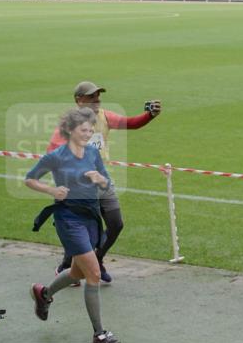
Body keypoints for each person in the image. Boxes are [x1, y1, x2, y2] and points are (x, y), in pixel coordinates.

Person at [26, 107, 121, 343]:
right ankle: (99, 336)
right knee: (94, 274)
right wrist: (51, 191)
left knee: (77, 272)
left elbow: (106, 182)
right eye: (83, 130)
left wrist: (100, 181)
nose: (88, 134)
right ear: (69, 130)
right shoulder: (56, 156)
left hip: (91, 219)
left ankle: (44, 294)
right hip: (69, 220)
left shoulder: (92, 153)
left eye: (90, 129)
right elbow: (30, 178)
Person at [49, 81, 162, 283]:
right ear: (79, 100)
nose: (97, 99)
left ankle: (97, 260)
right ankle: (67, 265)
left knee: (115, 224)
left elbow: (131, 123)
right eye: (92, 96)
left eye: (98, 95)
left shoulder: (104, 116)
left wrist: (149, 115)